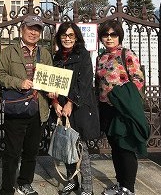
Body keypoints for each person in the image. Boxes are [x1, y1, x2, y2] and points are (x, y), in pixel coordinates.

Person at [0, 15, 53, 195]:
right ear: (22, 29)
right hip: (17, 108)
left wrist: (52, 91)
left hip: (39, 108)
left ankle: (24, 182)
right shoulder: (9, 52)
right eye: (30, 28)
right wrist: (18, 82)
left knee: (31, 151)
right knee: (12, 153)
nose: (33, 32)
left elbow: (50, 78)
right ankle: (7, 188)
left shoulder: (44, 53)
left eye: (37, 29)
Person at [95, 20, 147, 195]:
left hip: (123, 110)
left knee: (126, 147)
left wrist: (124, 99)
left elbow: (138, 80)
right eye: (105, 35)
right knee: (115, 147)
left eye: (113, 34)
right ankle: (120, 183)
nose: (109, 38)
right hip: (106, 108)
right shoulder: (100, 57)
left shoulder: (127, 54)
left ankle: (128, 188)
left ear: (119, 36)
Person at [50, 22, 100, 195]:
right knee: (66, 147)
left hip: (79, 108)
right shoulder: (57, 57)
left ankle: (87, 188)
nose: (67, 39)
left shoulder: (83, 55)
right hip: (61, 108)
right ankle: (72, 181)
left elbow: (85, 82)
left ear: (77, 37)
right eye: (64, 35)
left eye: (71, 35)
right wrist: (55, 102)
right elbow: (52, 82)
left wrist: (71, 102)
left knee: (81, 149)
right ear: (59, 37)